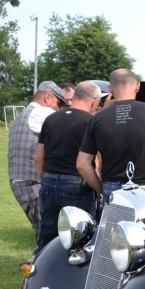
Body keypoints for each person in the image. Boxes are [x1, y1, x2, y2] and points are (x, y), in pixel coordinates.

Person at [77, 69, 145, 205]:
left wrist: (101, 189)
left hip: (113, 188)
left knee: (114, 226)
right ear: (137, 86)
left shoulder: (97, 118)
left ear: (110, 89)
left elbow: (82, 164)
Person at [34, 81, 102, 251]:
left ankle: (41, 271)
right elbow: (98, 159)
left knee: (48, 237)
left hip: (48, 182)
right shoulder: (91, 121)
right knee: (81, 238)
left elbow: (38, 157)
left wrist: (45, 179)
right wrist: (99, 188)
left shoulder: (51, 118)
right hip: (76, 185)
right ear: (94, 101)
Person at [7, 81, 70, 244]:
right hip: (32, 183)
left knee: (46, 233)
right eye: (58, 103)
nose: (58, 108)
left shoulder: (26, 114)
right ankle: (39, 268)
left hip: (23, 181)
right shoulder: (40, 114)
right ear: (47, 97)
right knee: (49, 237)